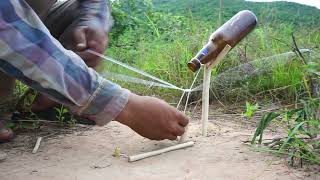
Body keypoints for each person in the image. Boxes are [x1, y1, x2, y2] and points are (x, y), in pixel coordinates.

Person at [0, 0, 189, 143]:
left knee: (74, 12)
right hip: (7, 26)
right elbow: (8, 33)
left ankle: (49, 102)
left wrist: (91, 18)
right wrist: (126, 107)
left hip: (27, 16)